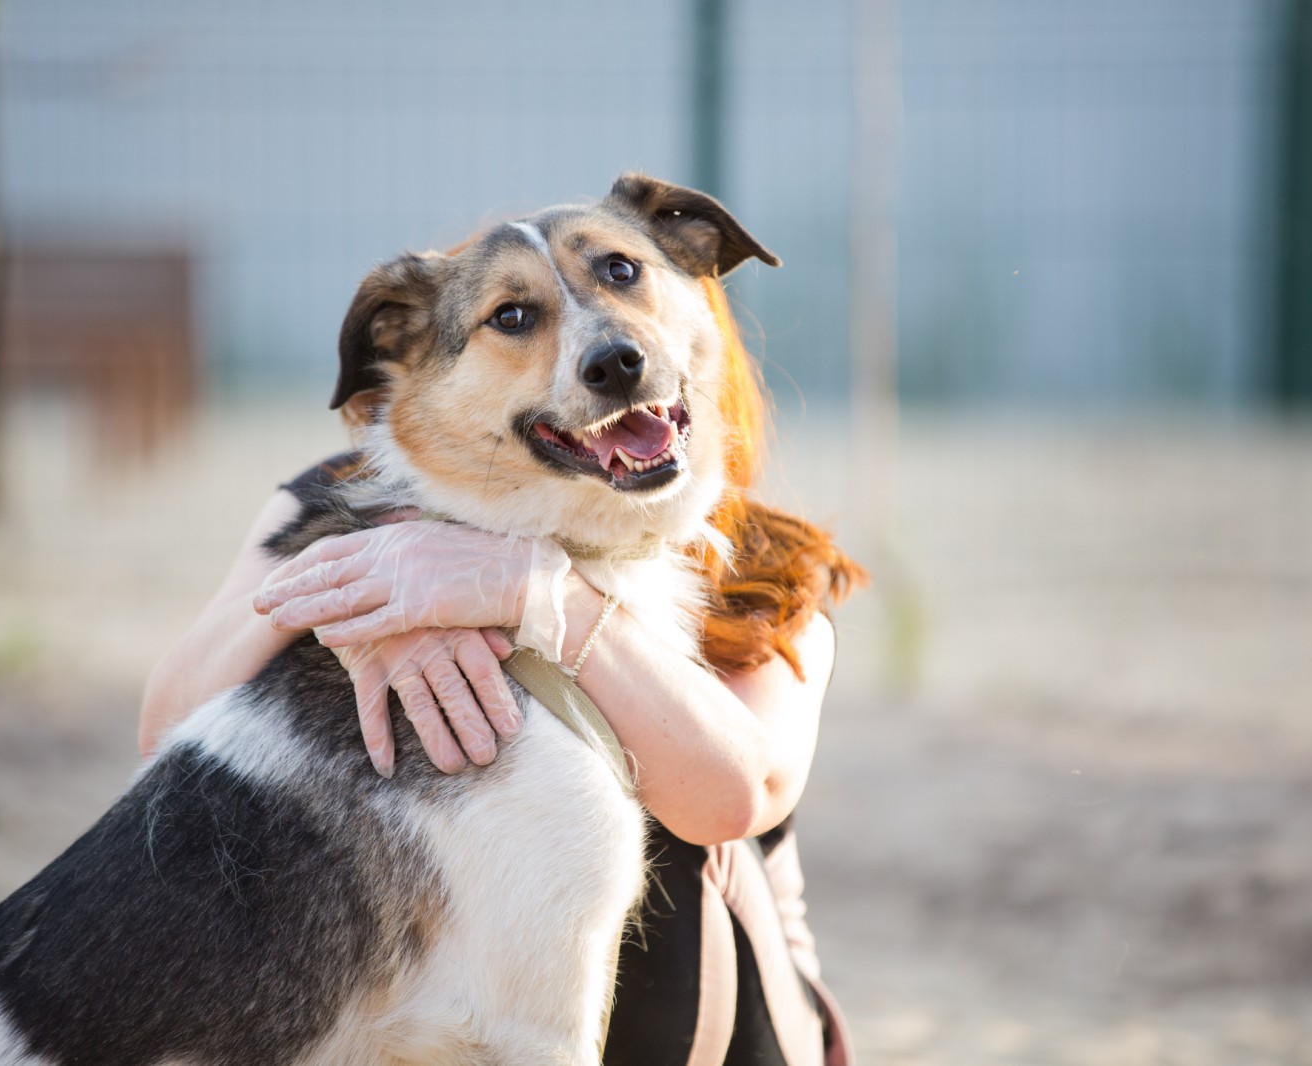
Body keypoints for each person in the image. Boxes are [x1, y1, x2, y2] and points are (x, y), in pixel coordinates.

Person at [138, 274, 864, 1066]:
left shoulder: (769, 568)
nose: (601, 346)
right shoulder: (340, 503)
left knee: (606, 783)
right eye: (515, 320)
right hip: (422, 1006)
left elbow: (730, 798)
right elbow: (166, 728)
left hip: (722, 1004)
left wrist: (535, 594)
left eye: (627, 290)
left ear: (701, 332)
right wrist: (361, 596)